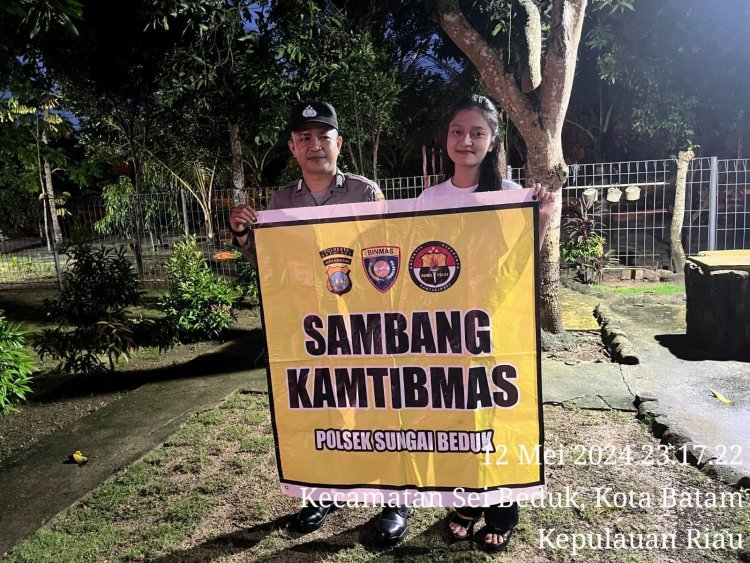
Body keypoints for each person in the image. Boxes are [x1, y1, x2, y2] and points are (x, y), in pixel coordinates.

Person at [229, 101, 410, 546]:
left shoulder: (367, 194)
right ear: (293, 147)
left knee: (378, 410)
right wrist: (242, 235)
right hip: (310, 328)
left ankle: (394, 498)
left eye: (322, 136)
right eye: (304, 138)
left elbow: (387, 260)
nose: (314, 145)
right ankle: (324, 492)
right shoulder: (281, 201)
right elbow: (270, 265)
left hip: (363, 326)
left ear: (338, 143)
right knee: (321, 410)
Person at [418, 94, 555, 552]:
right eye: (458, 131)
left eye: (477, 132)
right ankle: (468, 502)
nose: (466, 140)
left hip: (497, 329)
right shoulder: (428, 199)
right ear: (446, 138)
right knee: (456, 417)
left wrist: (540, 220)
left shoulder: (513, 198)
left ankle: (503, 509)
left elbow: (519, 268)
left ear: (493, 140)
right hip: (445, 332)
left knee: (498, 418)